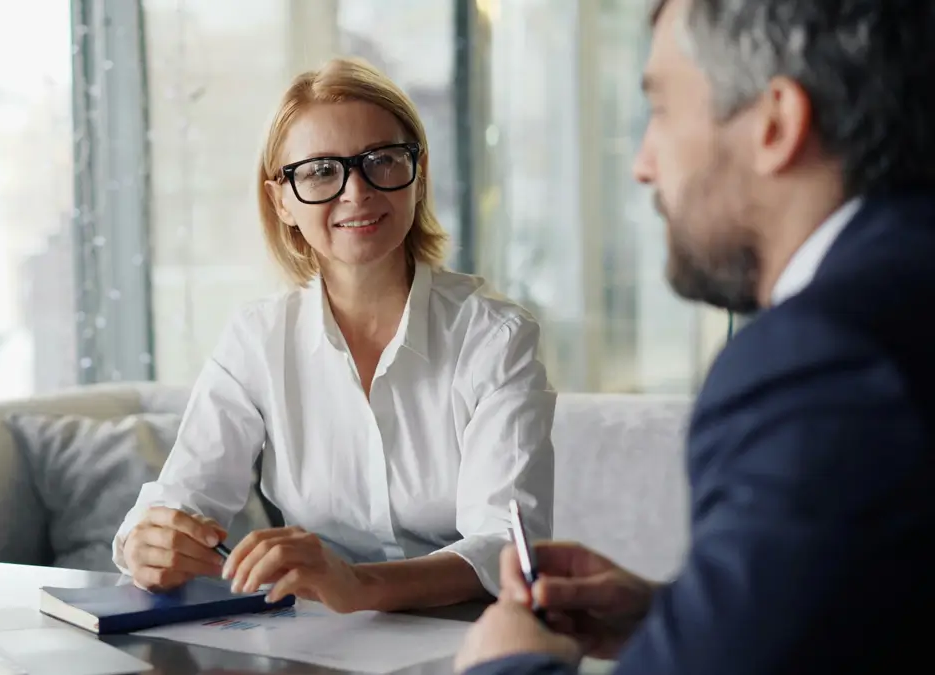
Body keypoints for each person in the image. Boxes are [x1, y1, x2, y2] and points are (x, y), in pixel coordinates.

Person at [454, 0, 935, 673]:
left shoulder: (823, 358)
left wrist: (504, 663)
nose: (642, 165)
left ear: (775, 124)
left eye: (660, 110)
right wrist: (674, 617)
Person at [111, 56, 556, 614]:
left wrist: (358, 585)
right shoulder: (258, 339)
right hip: (316, 641)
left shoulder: (495, 336)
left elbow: (504, 547)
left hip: (469, 635)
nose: (356, 192)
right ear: (281, 201)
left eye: (382, 161)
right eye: (321, 171)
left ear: (417, 176)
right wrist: (143, 544)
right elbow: (184, 500)